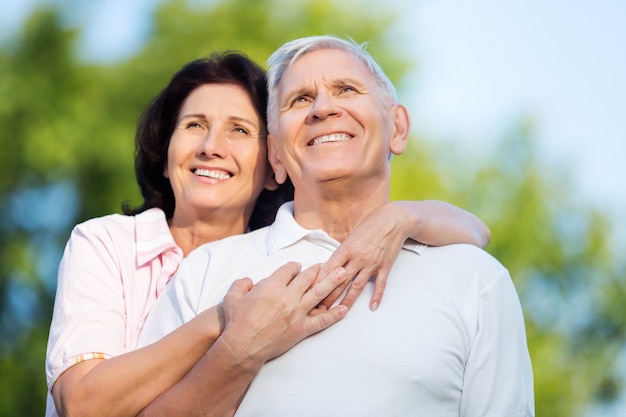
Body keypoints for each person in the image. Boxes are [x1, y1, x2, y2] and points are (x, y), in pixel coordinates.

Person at [44, 51, 492, 417]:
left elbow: (476, 230)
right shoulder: (110, 244)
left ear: (272, 164)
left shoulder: (280, 260)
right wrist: (230, 323)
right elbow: (83, 405)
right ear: (165, 155)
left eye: (239, 130)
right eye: (193, 125)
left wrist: (404, 217)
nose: (210, 146)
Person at [139, 35, 534, 416]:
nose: (323, 109)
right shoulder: (206, 270)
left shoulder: (474, 278)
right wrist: (239, 348)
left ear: (397, 129)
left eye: (346, 89)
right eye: (301, 99)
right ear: (275, 155)